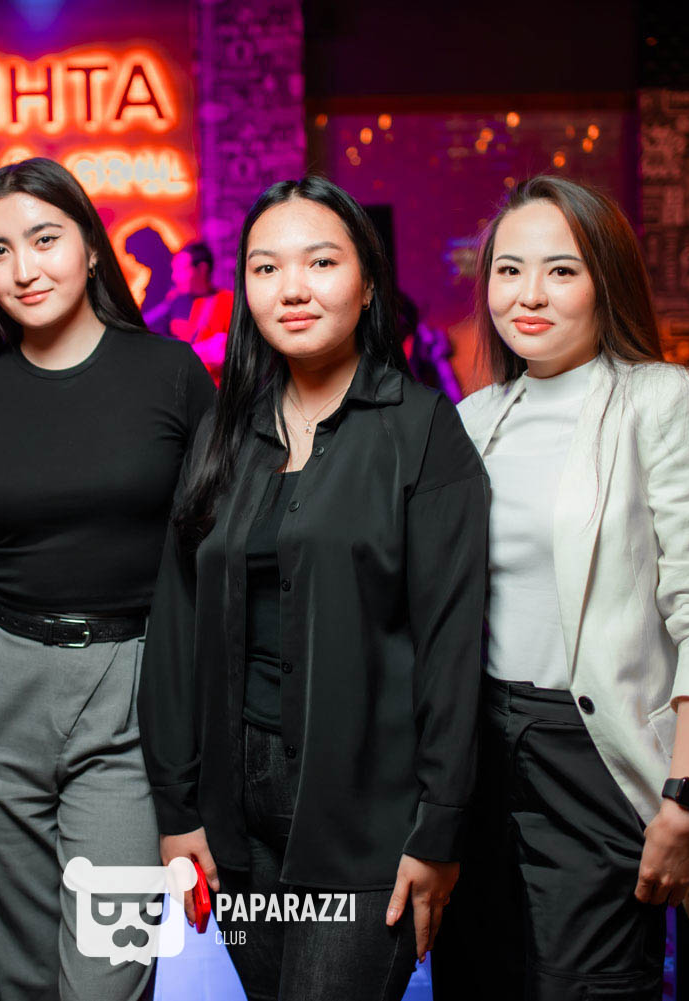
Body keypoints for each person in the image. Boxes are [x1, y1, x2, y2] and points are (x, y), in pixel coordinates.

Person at [140, 176, 488, 1001]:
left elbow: (452, 646)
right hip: (234, 814)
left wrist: (439, 826)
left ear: (366, 283)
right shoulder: (225, 433)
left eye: (321, 262)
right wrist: (178, 811)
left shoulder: (422, 428)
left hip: (367, 809)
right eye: (266, 268)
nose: (292, 288)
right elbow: (177, 626)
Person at [434, 175, 689, 1001]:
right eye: (509, 270)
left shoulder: (668, 400)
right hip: (477, 754)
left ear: (606, 280)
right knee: (479, 979)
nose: (529, 295)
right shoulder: (473, 419)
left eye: (562, 269)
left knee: (586, 986)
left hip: (592, 751)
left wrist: (686, 800)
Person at [0, 157, 214, 1001]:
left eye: (45, 239)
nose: (23, 268)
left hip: (134, 691)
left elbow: (215, 559)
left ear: (91, 246)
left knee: (106, 975)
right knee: (18, 977)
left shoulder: (172, 374)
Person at [143, 240, 234, 381]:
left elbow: (225, 352)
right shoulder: (175, 302)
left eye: (181, 270)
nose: (175, 277)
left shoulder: (228, 301)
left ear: (202, 269)